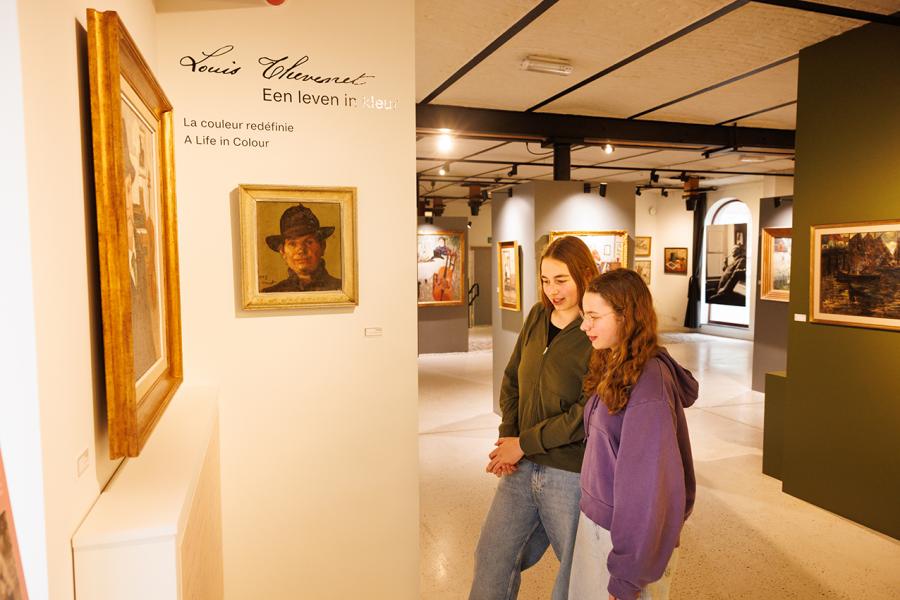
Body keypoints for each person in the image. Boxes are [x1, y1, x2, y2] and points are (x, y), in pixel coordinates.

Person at [469, 236, 600, 600]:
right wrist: (508, 438)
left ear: (584, 275)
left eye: (561, 280)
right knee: (492, 558)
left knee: (575, 573)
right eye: (545, 280)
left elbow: (586, 413)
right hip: (521, 467)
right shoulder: (538, 316)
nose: (552, 290)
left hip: (569, 472)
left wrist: (523, 443)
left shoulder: (595, 329)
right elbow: (512, 379)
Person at [570, 269, 697, 600]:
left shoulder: (649, 383)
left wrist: (627, 578)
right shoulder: (616, 362)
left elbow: (649, 491)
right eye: (585, 315)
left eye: (594, 316)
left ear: (626, 317)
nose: (584, 325)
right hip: (605, 527)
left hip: (626, 543)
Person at [262, 203, 342, 292]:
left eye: (309, 242)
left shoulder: (341, 289)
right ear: (282, 251)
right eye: (292, 244)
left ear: (322, 246)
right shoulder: (269, 294)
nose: (301, 250)